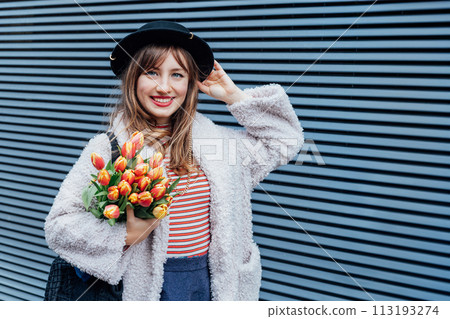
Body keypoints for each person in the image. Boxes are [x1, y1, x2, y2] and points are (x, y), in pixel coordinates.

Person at [44, 21, 304, 301]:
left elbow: (285, 140)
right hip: (143, 287)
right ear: (133, 78)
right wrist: (126, 236)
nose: (164, 87)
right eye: (151, 72)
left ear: (192, 83)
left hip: (211, 285)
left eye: (177, 75)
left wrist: (234, 96)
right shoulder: (108, 150)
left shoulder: (222, 145)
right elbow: (59, 226)